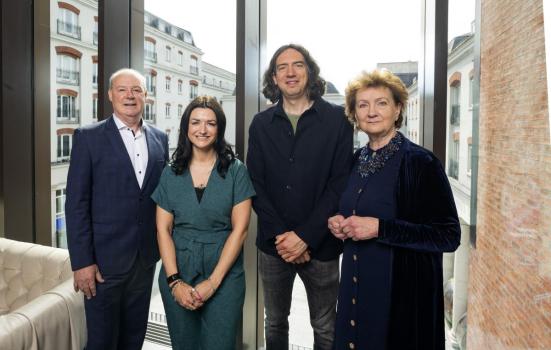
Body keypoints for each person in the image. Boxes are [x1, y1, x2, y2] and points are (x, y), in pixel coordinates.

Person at [328, 69, 461, 350]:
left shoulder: (421, 163)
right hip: (355, 296)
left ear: (398, 108)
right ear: (354, 113)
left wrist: (379, 228)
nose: (372, 111)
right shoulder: (356, 160)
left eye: (382, 103)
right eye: (363, 105)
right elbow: (354, 212)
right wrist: (339, 222)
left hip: (399, 304)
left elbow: (448, 236)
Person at [247, 44, 353, 350]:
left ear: (310, 72)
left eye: (298, 65)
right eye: (282, 67)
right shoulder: (260, 124)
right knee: (275, 322)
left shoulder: (338, 120)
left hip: (322, 246)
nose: (290, 72)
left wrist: (305, 237)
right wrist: (286, 237)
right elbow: (256, 184)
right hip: (274, 245)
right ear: (274, 77)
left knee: (324, 325)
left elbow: (339, 183)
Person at [65, 68, 169, 349]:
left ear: (146, 96)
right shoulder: (88, 137)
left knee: (134, 338)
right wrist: (82, 262)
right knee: (101, 341)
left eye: (136, 90)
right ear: (110, 95)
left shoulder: (160, 139)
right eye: (122, 89)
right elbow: (76, 205)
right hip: (102, 264)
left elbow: (161, 197)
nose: (130, 96)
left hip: (145, 260)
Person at [152, 96, 255, 350]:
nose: (202, 129)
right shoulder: (170, 172)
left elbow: (240, 230)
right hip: (179, 268)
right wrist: (174, 281)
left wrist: (213, 282)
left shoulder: (236, 171)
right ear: (186, 127)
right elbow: (163, 230)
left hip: (224, 272)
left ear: (219, 129)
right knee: (184, 344)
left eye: (211, 123)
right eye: (196, 122)